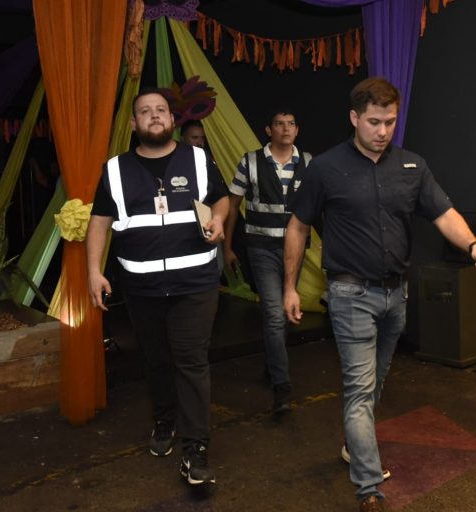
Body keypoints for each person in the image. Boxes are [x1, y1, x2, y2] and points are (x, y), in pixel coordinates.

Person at [283, 77, 476, 512]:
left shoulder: (413, 165)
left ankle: (353, 442)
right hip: (350, 294)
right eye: (374, 122)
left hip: (396, 295)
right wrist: (289, 286)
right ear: (354, 118)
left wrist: (473, 244)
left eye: (390, 122)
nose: (383, 131)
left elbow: (443, 213)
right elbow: (298, 226)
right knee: (360, 388)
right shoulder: (325, 167)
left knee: (375, 382)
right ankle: (368, 488)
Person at [86, 88, 229, 486]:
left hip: (195, 282)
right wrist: (93, 271)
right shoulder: (115, 169)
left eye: (161, 110)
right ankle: (164, 419)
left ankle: (195, 449)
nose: (154, 116)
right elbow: (99, 221)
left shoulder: (198, 159)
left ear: (172, 119)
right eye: (145, 111)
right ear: (134, 123)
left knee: (191, 360)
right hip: (141, 287)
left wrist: (219, 218)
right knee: (156, 359)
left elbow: (220, 199)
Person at [223, 107, 311, 414]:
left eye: (291, 123)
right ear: (268, 130)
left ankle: (273, 365)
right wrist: (227, 247)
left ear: (297, 130)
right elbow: (232, 205)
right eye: (279, 124)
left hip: (295, 249)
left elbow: (322, 204)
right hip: (261, 248)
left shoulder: (309, 162)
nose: (285, 129)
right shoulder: (250, 161)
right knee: (274, 313)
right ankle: (281, 387)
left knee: (284, 311)